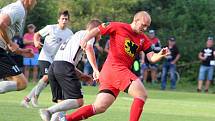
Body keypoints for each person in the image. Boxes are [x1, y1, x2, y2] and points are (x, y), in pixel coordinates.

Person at [59, 11, 170, 121]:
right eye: (143, 25)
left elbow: (151, 57)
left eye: (147, 26)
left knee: (99, 107)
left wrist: (160, 54)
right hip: (115, 68)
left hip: (111, 73)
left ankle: (65, 119)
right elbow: (97, 29)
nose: (145, 28)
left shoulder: (143, 39)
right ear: (136, 20)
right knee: (141, 94)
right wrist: (85, 39)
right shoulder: (118, 26)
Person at [39, 19, 101, 121]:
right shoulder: (89, 35)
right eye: (100, 33)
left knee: (63, 102)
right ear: (95, 30)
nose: (101, 36)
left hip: (54, 67)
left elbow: (66, 62)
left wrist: (82, 76)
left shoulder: (76, 35)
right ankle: (48, 111)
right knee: (78, 101)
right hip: (63, 67)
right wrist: (95, 69)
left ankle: (51, 116)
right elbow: (89, 49)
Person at [21, 10, 73, 108]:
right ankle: (36, 96)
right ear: (58, 19)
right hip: (45, 57)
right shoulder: (51, 28)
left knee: (44, 82)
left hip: (56, 60)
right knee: (47, 76)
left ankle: (26, 99)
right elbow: (37, 34)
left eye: (66, 19)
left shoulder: (69, 33)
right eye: (62, 18)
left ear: (68, 20)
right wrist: (36, 42)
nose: (64, 21)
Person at [0, 0, 37, 94]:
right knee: (21, 83)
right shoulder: (19, 9)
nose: (35, 3)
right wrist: (10, 43)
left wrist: (20, 51)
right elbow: (1, 23)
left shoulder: (17, 8)